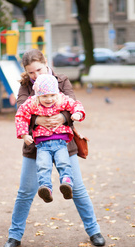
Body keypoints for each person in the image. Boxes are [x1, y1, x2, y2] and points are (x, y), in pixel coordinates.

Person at [4, 49, 105, 247]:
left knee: (76, 188)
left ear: (46, 63)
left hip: (63, 143)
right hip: (35, 144)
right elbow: (21, 109)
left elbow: (72, 103)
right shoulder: (25, 86)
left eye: (38, 70)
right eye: (31, 73)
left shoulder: (62, 80)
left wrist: (64, 117)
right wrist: (37, 119)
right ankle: (14, 235)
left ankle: (94, 231)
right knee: (26, 191)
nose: (36, 76)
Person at [15, 73, 85, 202]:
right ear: (38, 95)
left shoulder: (61, 100)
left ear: (56, 93)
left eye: (52, 95)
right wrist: (24, 134)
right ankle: (45, 188)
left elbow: (76, 105)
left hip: (60, 142)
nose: (49, 99)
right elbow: (21, 115)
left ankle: (67, 184)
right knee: (43, 166)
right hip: (42, 145)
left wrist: (78, 113)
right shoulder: (32, 103)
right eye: (44, 96)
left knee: (64, 163)